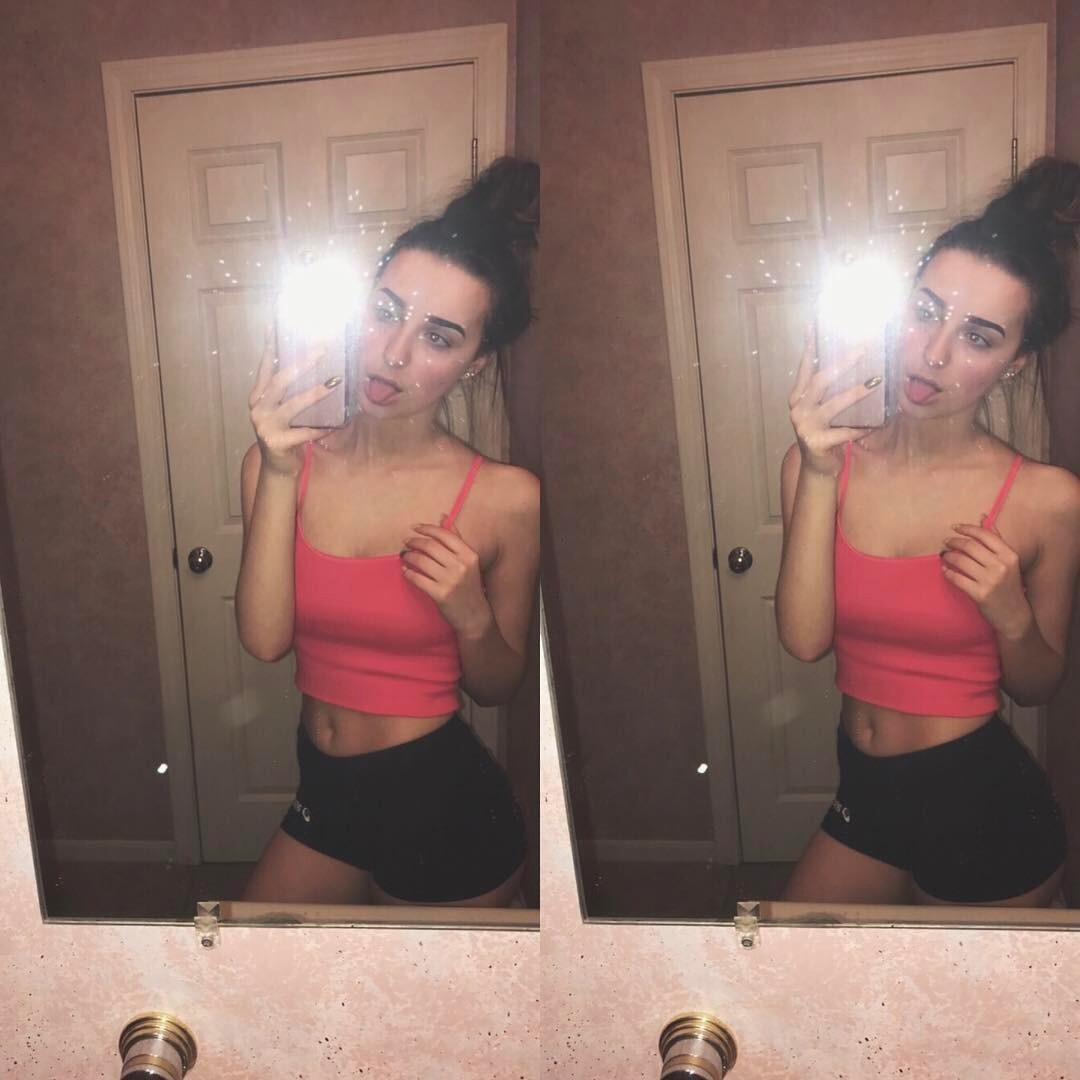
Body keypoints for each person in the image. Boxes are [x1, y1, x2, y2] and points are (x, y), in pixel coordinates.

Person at [235, 158, 540, 907]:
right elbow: (265, 642)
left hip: (444, 811)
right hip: (323, 789)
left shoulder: (505, 498)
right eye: (385, 311)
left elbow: (497, 688)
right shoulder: (277, 462)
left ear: (476, 363)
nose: (394, 353)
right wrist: (280, 470)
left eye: (438, 337)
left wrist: (470, 614)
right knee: (246, 959)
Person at [777, 157, 1080, 907]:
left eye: (979, 337)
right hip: (864, 790)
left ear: (1016, 363)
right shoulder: (819, 460)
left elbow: (1036, 687)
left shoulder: (1046, 499)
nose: (935, 353)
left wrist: (1010, 613)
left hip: (984, 811)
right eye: (925, 312)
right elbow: (805, 641)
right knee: (784, 954)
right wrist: (819, 472)